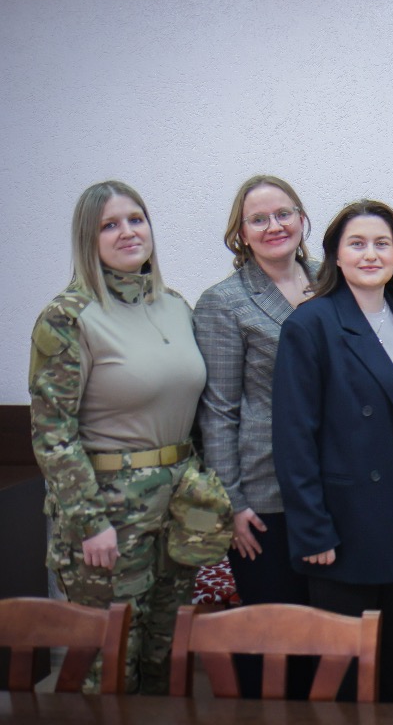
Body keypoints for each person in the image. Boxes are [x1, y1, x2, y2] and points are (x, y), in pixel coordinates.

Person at [30, 181, 206, 693]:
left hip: (178, 509)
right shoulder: (69, 316)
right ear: (88, 238)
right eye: (110, 225)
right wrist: (89, 522)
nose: (128, 232)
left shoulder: (174, 305)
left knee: (167, 660)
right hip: (109, 512)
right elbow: (53, 433)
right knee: (109, 668)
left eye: (136, 219)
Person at [272, 199, 393, 703]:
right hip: (343, 528)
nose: (370, 254)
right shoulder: (311, 324)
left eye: (382, 244)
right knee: (343, 678)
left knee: (389, 670)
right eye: (357, 244)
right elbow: (293, 439)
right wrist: (312, 529)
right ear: (336, 256)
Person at [193, 175, 318, 699]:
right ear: (240, 233)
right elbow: (218, 412)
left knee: (321, 637)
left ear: (302, 219)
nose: (274, 226)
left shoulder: (331, 281)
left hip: (330, 487)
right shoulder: (224, 302)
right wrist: (233, 503)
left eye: (283, 213)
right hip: (263, 494)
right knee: (271, 636)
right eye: (259, 219)